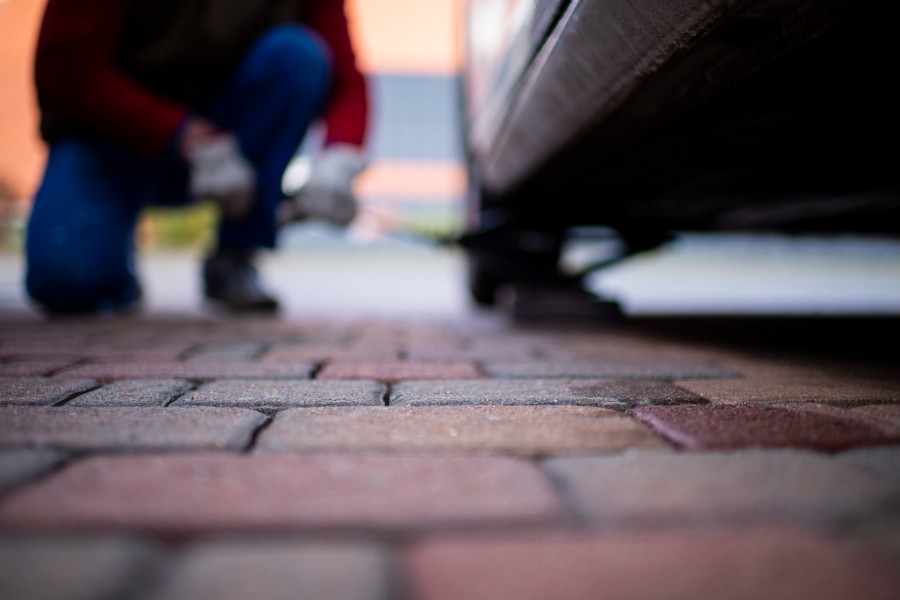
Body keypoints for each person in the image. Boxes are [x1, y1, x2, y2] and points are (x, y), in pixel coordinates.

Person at [25, 0, 370, 315]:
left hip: (229, 146)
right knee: (69, 283)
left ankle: (237, 250)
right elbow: (66, 67)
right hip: (108, 138)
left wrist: (339, 156)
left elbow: (345, 79)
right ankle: (111, 260)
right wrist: (185, 136)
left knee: (297, 56)